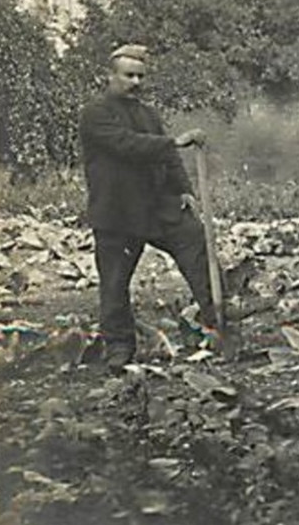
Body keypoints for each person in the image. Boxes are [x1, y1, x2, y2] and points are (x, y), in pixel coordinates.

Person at [79, 43, 215, 370]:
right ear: (110, 76)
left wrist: (184, 190)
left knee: (197, 246)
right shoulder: (95, 113)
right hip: (117, 211)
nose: (136, 82)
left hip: (158, 206)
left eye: (140, 76)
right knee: (114, 283)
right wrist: (175, 142)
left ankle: (217, 323)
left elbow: (167, 158)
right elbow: (126, 145)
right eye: (129, 75)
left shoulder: (148, 114)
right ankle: (119, 348)